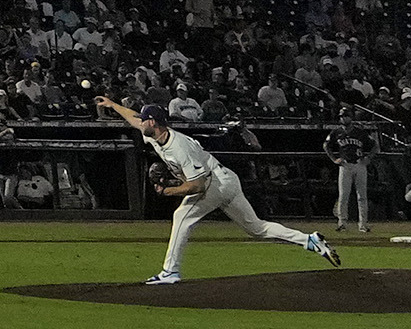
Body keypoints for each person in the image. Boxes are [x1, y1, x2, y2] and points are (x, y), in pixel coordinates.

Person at [99, 96, 335, 287]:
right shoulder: (154, 135)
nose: (141, 122)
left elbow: (198, 186)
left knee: (181, 216)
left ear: (154, 123)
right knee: (257, 228)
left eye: (145, 119)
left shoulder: (179, 146)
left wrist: (168, 191)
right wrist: (112, 105)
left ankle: (170, 272)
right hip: (226, 179)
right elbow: (133, 118)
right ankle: (309, 240)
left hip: (214, 184)